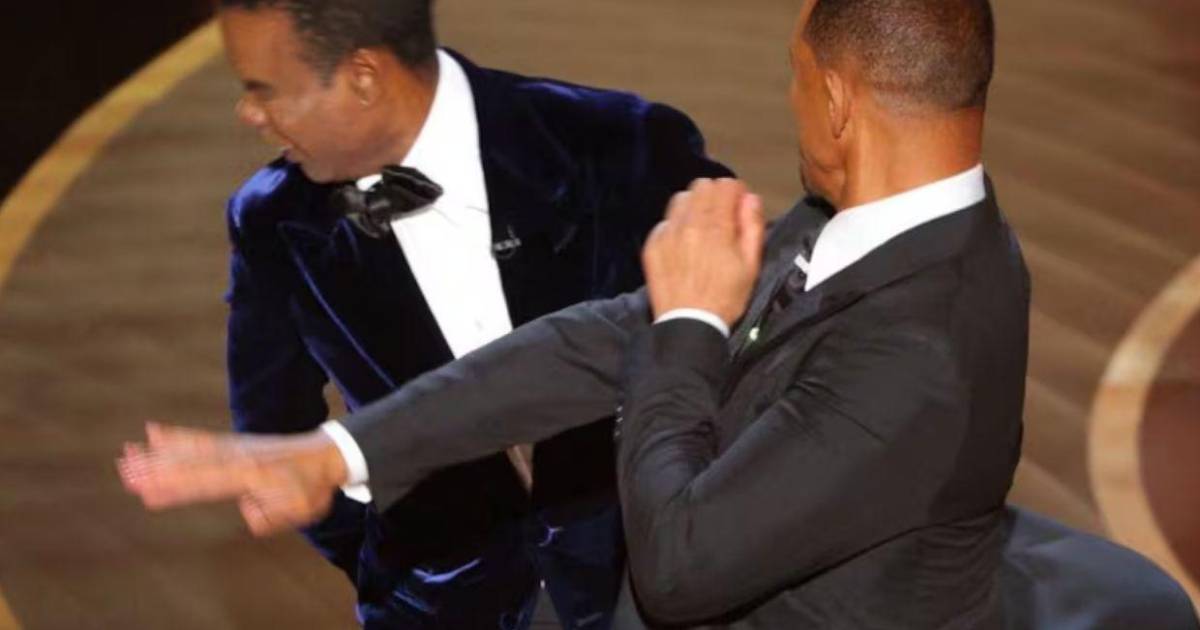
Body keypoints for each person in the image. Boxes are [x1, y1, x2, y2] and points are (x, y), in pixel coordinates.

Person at [118, 0, 1200, 627]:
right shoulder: (869, 222)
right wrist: (341, 451)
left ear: (835, 98)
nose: (787, 100)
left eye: (795, 78)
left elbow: (681, 568)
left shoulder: (921, 347)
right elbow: (602, 338)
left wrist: (687, 329)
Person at [206, 0, 730, 627]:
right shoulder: (272, 220)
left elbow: (747, 338)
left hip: (647, 592)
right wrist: (390, 571)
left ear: (362, 77)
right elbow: (275, 430)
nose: (249, 113)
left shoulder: (620, 142)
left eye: (264, 89)